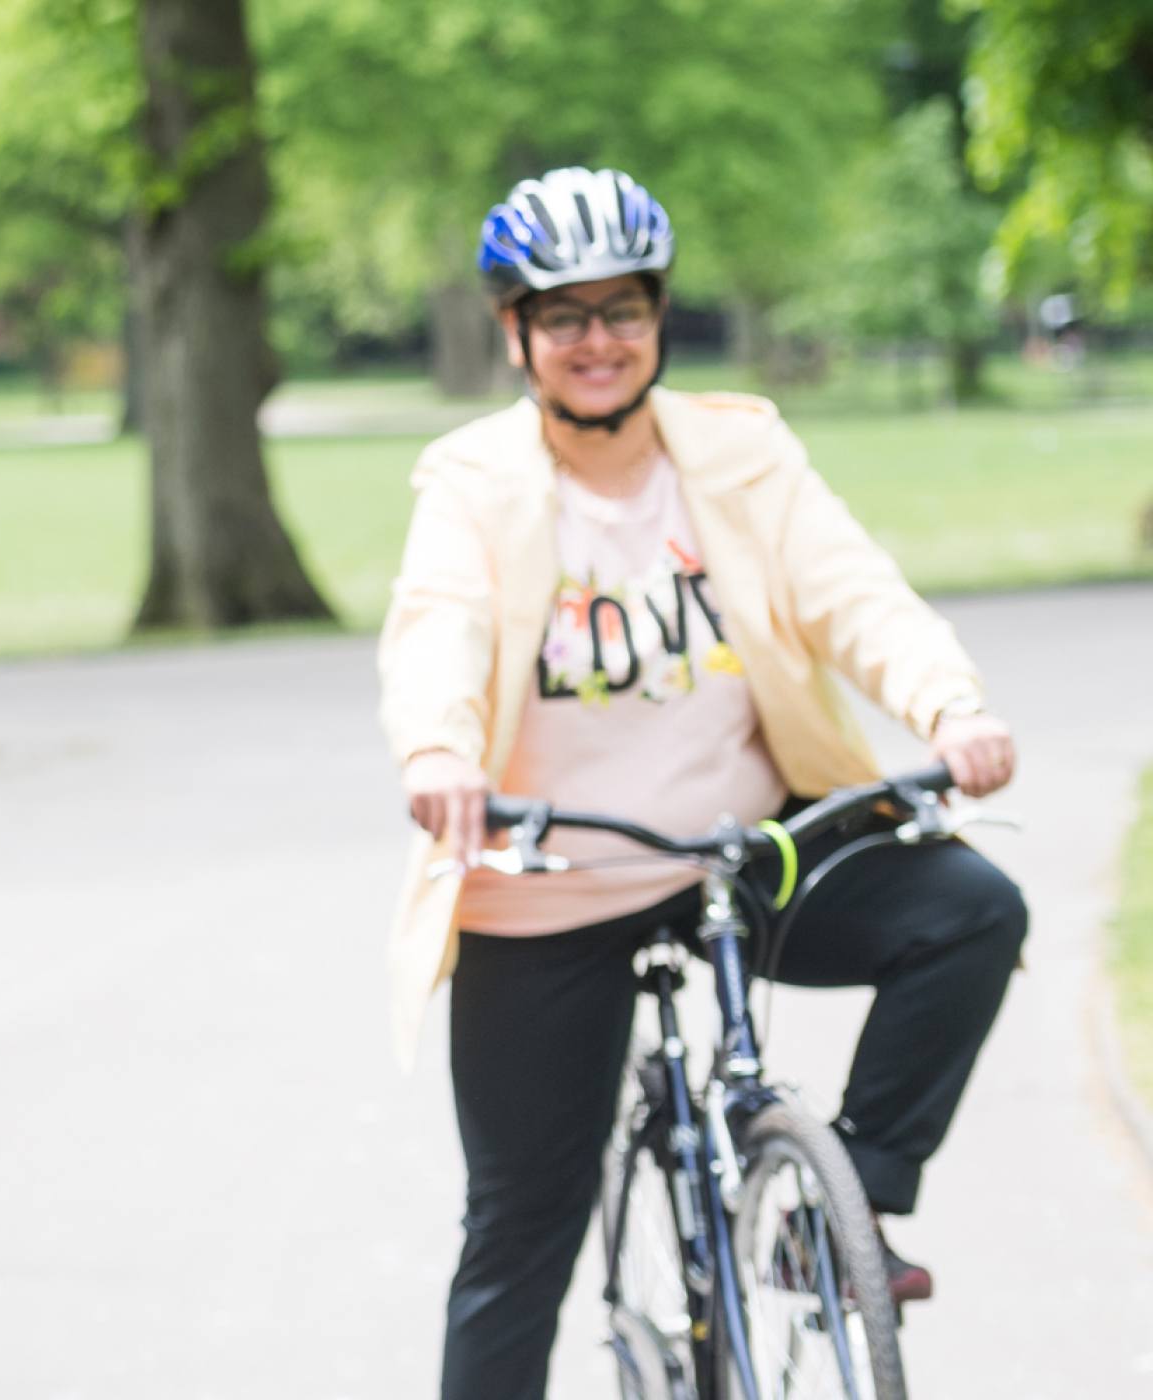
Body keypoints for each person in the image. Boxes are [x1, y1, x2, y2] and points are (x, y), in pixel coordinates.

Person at [378, 166, 1029, 1399]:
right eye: (564, 316)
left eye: (623, 309)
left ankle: (835, 1210)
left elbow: (853, 590)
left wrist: (950, 701)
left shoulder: (739, 451)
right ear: (515, 332)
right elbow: (441, 631)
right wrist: (440, 754)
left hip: (744, 853)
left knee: (971, 907)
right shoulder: (474, 484)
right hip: (550, 878)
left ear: (660, 316)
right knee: (520, 1236)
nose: (598, 341)